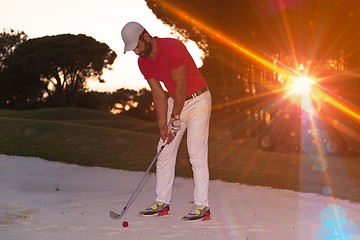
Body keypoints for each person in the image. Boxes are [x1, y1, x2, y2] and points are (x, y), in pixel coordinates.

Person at [121, 21, 212, 221]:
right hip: (175, 102)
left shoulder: (172, 47)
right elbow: (158, 94)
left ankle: (202, 206)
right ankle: (162, 203)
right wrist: (163, 125)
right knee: (163, 150)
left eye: (136, 46)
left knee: (195, 154)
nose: (136, 52)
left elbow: (181, 87)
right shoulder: (143, 62)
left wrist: (176, 119)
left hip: (198, 101)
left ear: (145, 36)